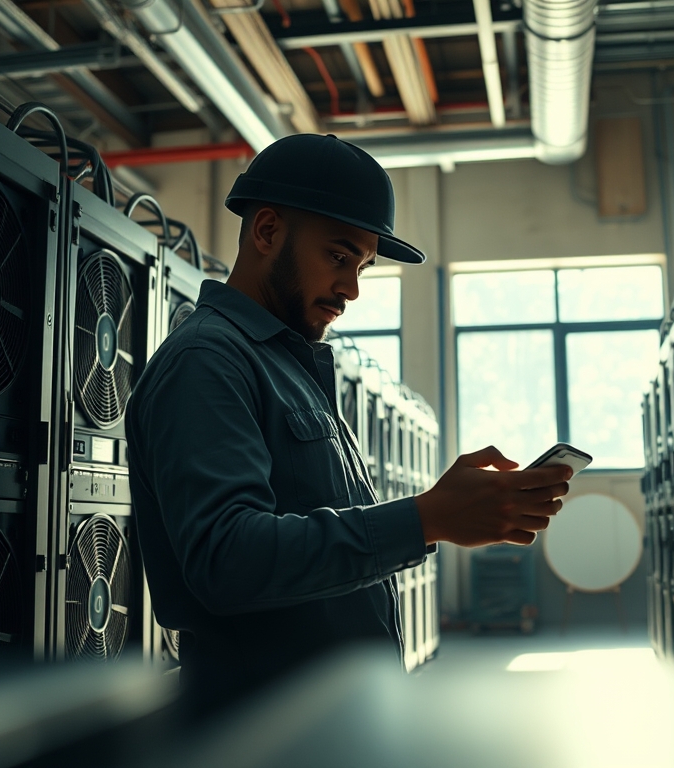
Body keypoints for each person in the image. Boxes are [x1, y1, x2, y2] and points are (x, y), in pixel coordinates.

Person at [126, 134, 572, 715]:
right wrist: (426, 518)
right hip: (265, 729)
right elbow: (226, 558)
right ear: (266, 231)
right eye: (339, 256)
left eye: (362, 265)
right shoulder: (208, 361)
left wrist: (439, 510)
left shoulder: (288, 364)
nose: (352, 289)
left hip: (327, 719)